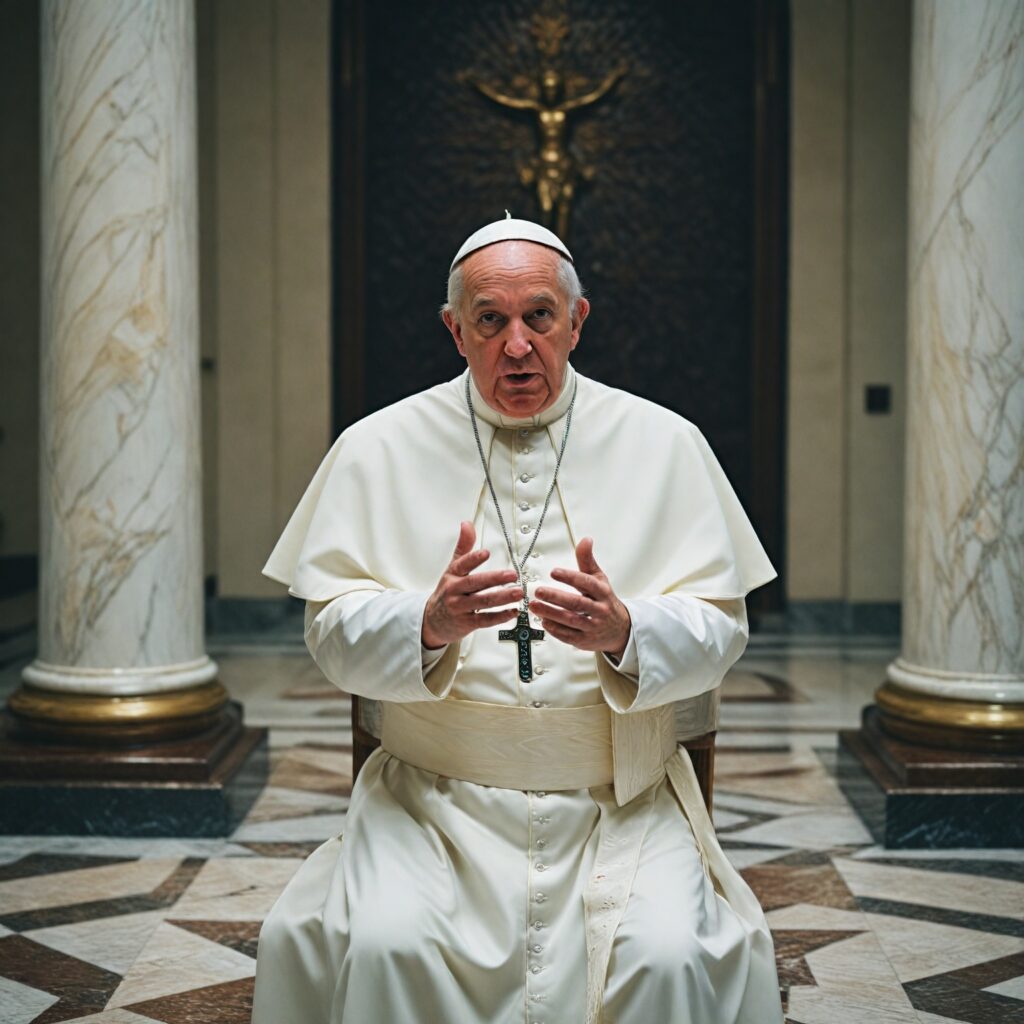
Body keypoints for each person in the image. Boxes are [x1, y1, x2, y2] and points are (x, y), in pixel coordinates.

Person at [251, 215, 785, 1024]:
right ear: (453, 330)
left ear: (577, 321)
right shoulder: (376, 447)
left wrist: (627, 633)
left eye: (539, 316)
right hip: (429, 803)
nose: (517, 346)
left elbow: (721, 627)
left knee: (667, 954)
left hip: (621, 803)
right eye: (490, 320)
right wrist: (425, 625)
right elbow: (329, 633)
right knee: (388, 943)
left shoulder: (667, 444)